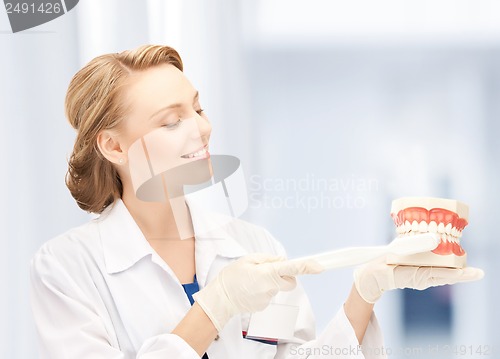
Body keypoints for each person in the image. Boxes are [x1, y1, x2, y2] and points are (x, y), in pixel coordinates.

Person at [30, 44, 484, 359]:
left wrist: (364, 294)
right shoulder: (67, 268)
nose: (203, 130)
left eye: (198, 109)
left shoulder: (251, 245)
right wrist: (216, 305)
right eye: (171, 122)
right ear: (113, 147)